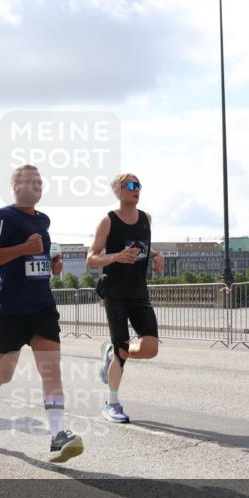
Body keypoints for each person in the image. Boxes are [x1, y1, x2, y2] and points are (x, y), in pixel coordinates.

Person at [0, 164, 83, 462]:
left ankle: (58, 436)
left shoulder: (44, 220)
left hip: (42, 305)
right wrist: (22, 249)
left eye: (40, 182)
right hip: (11, 308)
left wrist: (52, 265)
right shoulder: (3, 216)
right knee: (4, 374)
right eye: (31, 182)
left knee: (51, 370)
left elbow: (38, 259)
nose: (38, 186)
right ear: (16, 186)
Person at [86, 173, 164, 423]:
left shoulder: (146, 219)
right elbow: (91, 258)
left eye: (138, 185)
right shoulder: (108, 222)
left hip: (139, 291)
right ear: (117, 191)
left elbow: (142, 247)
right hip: (115, 292)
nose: (136, 189)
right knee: (123, 348)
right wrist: (116, 257)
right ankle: (112, 403)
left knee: (151, 348)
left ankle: (111, 354)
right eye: (130, 185)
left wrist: (155, 256)